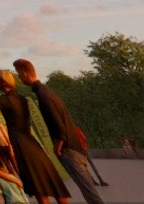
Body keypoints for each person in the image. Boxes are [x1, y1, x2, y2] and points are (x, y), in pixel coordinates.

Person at [0, 69, 68, 204]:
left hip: (21, 144)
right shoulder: (21, 99)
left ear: (1, 83)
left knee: (37, 185)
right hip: (31, 143)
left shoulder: (7, 100)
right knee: (51, 181)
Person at [17, 61, 100, 204]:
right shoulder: (47, 91)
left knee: (90, 193)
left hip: (69, 149)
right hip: (75, 147)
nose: (19, 78)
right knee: (89, 191)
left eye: (19, 74)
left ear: (24, 72)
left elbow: (59, 125)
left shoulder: (42, 94)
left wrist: (58, 145)